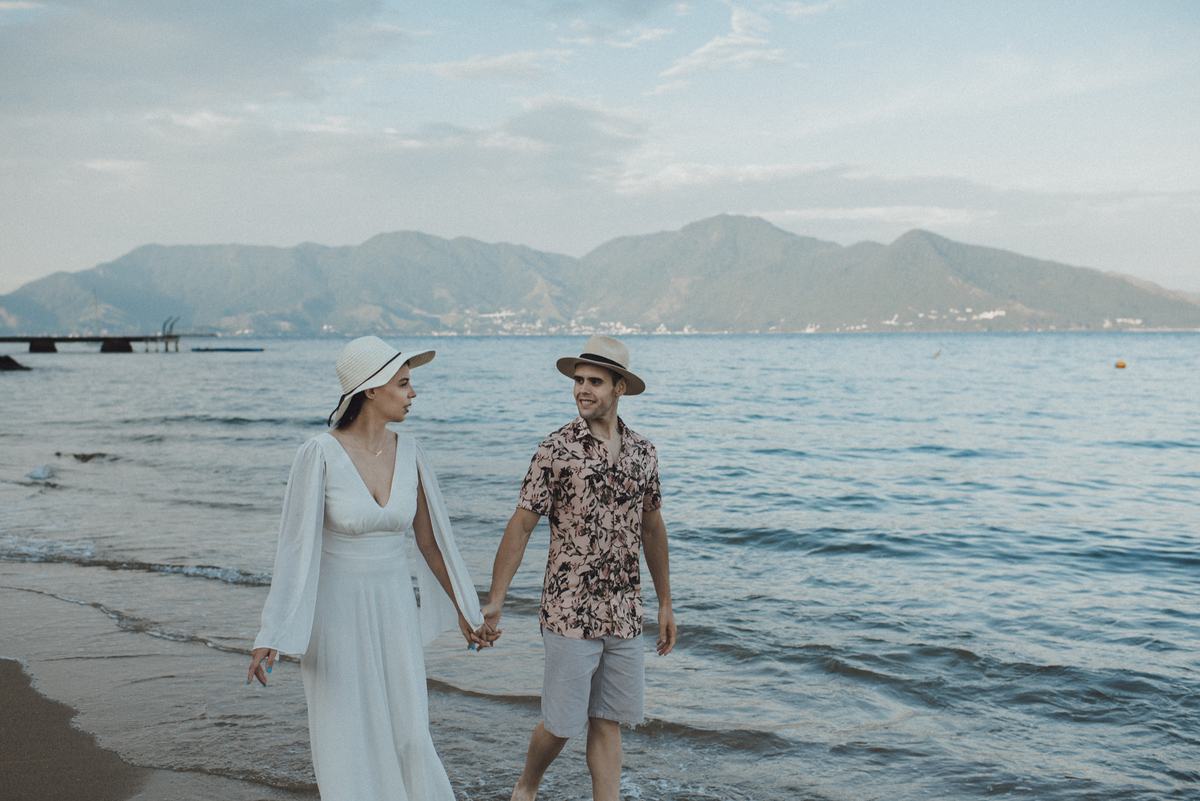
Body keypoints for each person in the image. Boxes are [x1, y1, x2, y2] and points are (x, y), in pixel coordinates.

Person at [247, 336, 495, 801]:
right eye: (403, 384)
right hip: (336, 615)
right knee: (349, 736)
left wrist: (466, 610)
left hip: (394, 607)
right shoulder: (318, 453)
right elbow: (295, 550)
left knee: (408, 730)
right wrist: (272, 633)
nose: (412, 394)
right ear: (371, 390)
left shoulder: (413, 452)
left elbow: (431, 543)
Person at [478, 335, 677, 801]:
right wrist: (496, 600)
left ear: (619, 387)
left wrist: (666, 602)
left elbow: (652, 528)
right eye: (578, 380)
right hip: (569, 610)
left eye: (594, 381)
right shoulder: (556, 449)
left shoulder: (644, 452)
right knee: (563, 723)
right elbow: (521, 525)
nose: (582, 389)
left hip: (625, 610)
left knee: (609, 720)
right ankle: (526, 788)